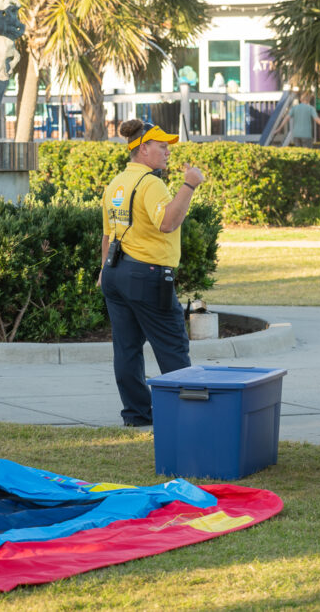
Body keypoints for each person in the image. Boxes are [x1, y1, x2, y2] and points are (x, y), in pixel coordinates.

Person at [99, 120, 206, 427]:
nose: (167, 152)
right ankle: (186, 417)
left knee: (127, 348)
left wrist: (103, 271)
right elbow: (168, 222)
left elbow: (108, 235)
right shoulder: (150, 183)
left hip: (115, 273)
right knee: (172, 345)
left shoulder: (116, 183)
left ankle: (136, 414)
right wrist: (190, 184)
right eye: (161, 146)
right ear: (142, 149)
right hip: (146, 275)